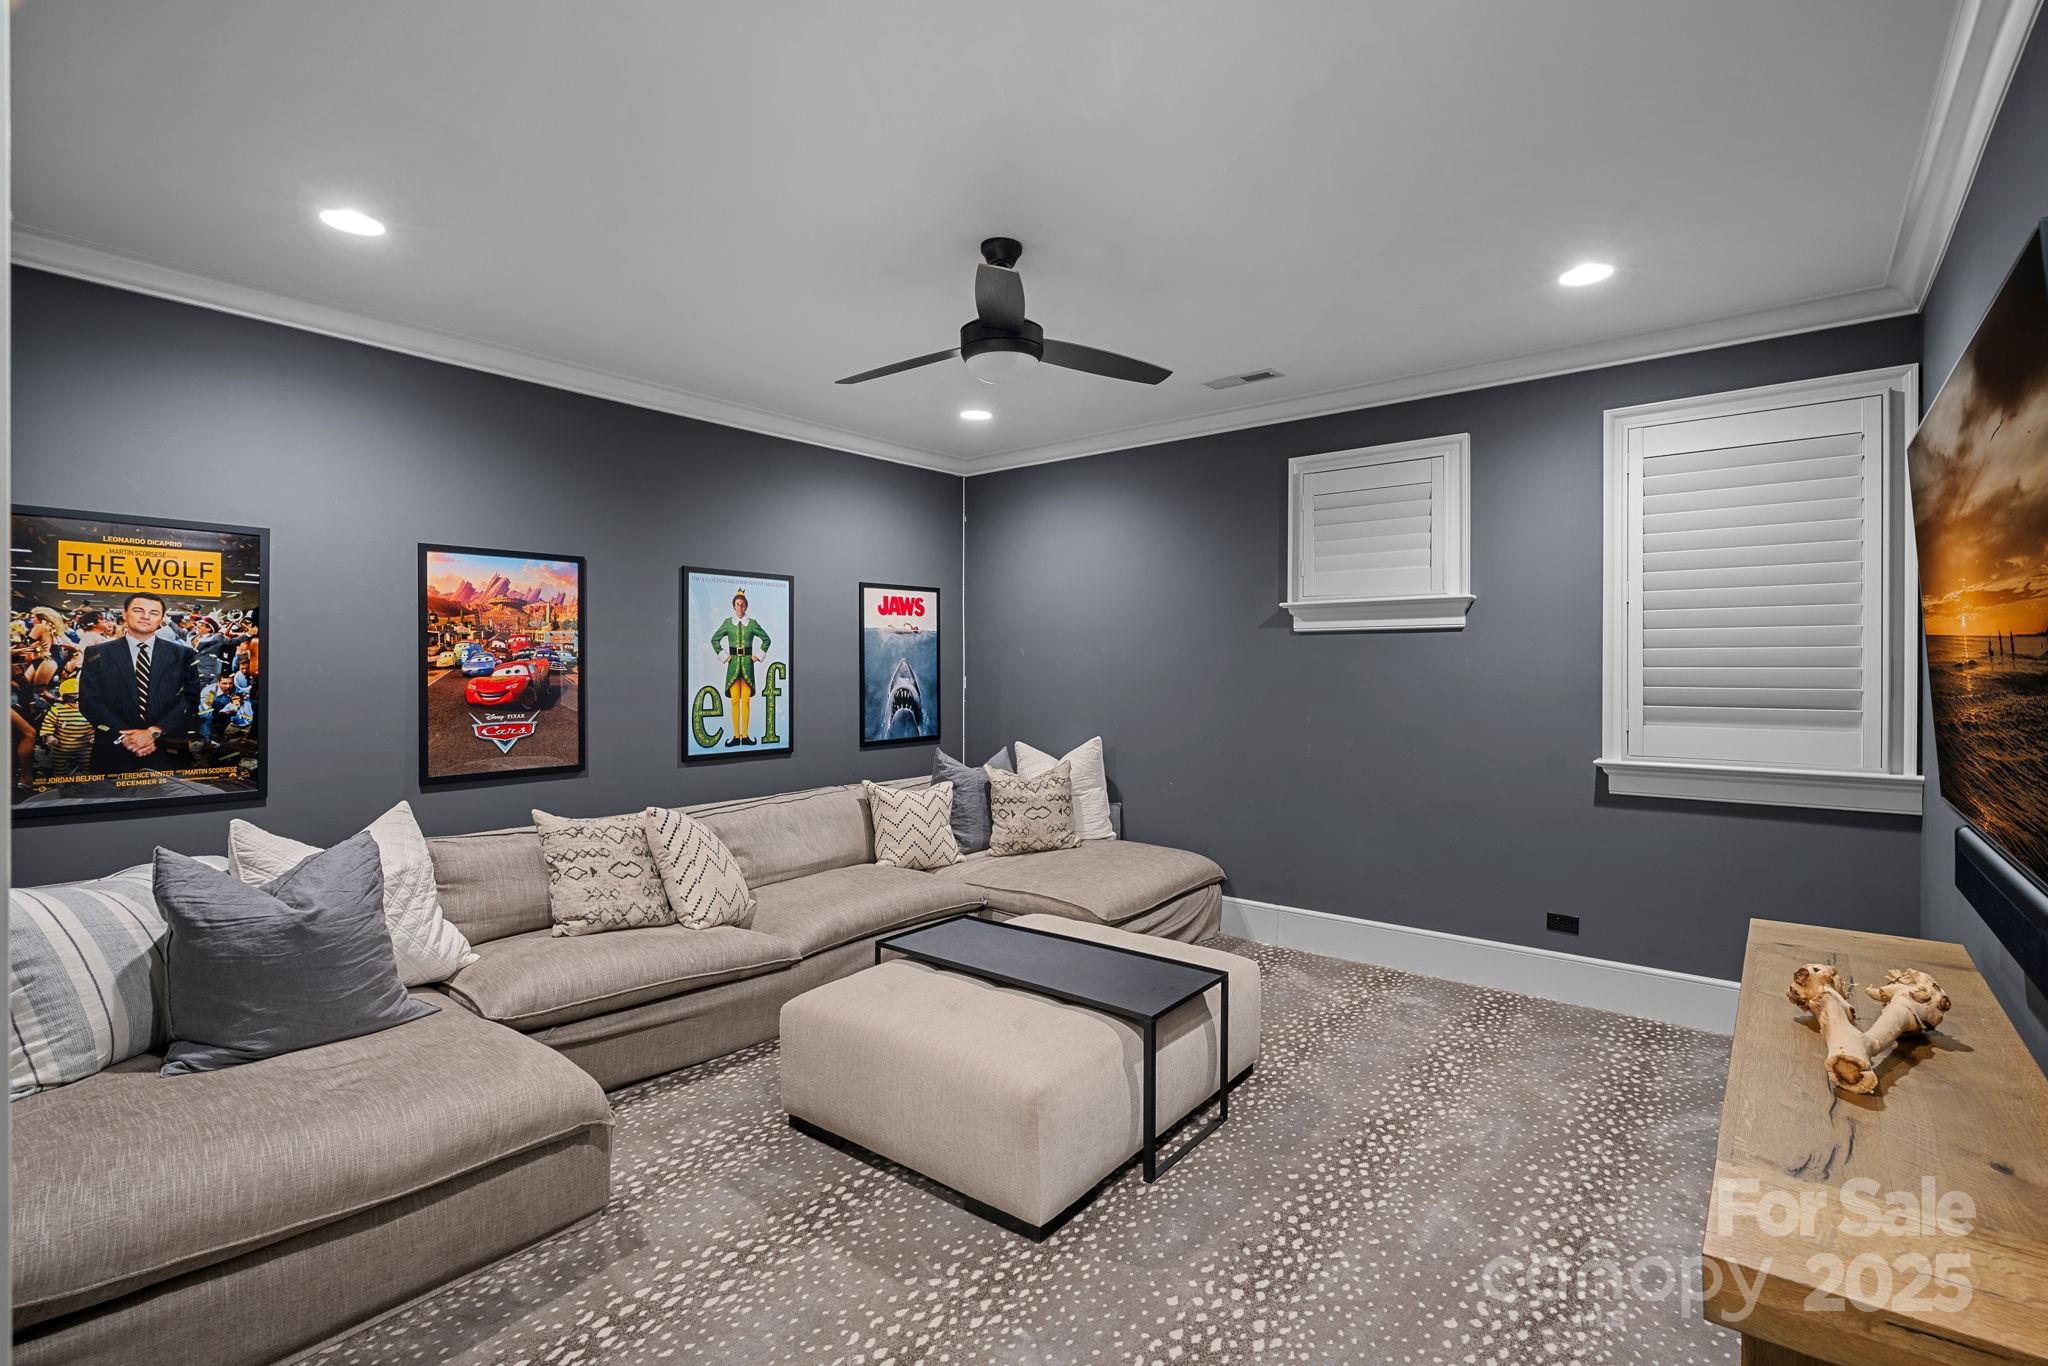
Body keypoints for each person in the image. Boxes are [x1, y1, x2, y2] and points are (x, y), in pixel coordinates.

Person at [76, 591, 198, 775]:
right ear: (124, 614)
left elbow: (189, 700)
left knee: (170, 800)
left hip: (166, 748)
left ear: (162, 619)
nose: (145, 616)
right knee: (111, 802)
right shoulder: (97, 653)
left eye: (154, 613)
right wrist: (127, 737)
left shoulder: (182, 655)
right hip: (113, 748)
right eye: (138, 610)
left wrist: (153, 732)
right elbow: (90, 702)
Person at [709, 588, 771, 747]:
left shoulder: (752, 624)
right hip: (733, 667)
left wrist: (757, 656)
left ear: (746, 606)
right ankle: (736, 736)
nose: (740, 608)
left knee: (746, 701)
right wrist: (725, 656)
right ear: (733, 606)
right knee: (735, 701)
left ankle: (746, 735)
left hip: (748, 667)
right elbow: (714, 640)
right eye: (737, 605)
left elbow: (766, 639)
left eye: (742, 605)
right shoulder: (728, 623)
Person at [37, 676, 93, 775]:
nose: (77, 701)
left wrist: (96, 736)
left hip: (85, 745)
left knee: (88, 765)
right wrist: (49, 736)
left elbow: (97, 723)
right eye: (72, 698)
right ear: (64, 698)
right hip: (62, 746)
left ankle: (86, 781)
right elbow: (48, 723)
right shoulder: (58, 709)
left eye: (80, 697)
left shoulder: (90, 708)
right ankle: (61, 782)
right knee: (59, 767)